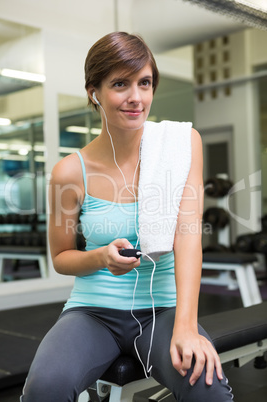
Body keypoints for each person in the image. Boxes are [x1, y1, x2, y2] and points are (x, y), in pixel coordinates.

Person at [21, 32, 234, 401]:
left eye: (145, 83)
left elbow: (188, 236)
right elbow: (61, 258)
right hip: (93, 311)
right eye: (120, 84)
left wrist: (185, 326)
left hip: (163, 308)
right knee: (44, 388)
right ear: (94, 92)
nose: (136, 98)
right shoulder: (70, 172)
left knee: (208, 388)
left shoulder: (181, 146)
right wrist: (101, 257)